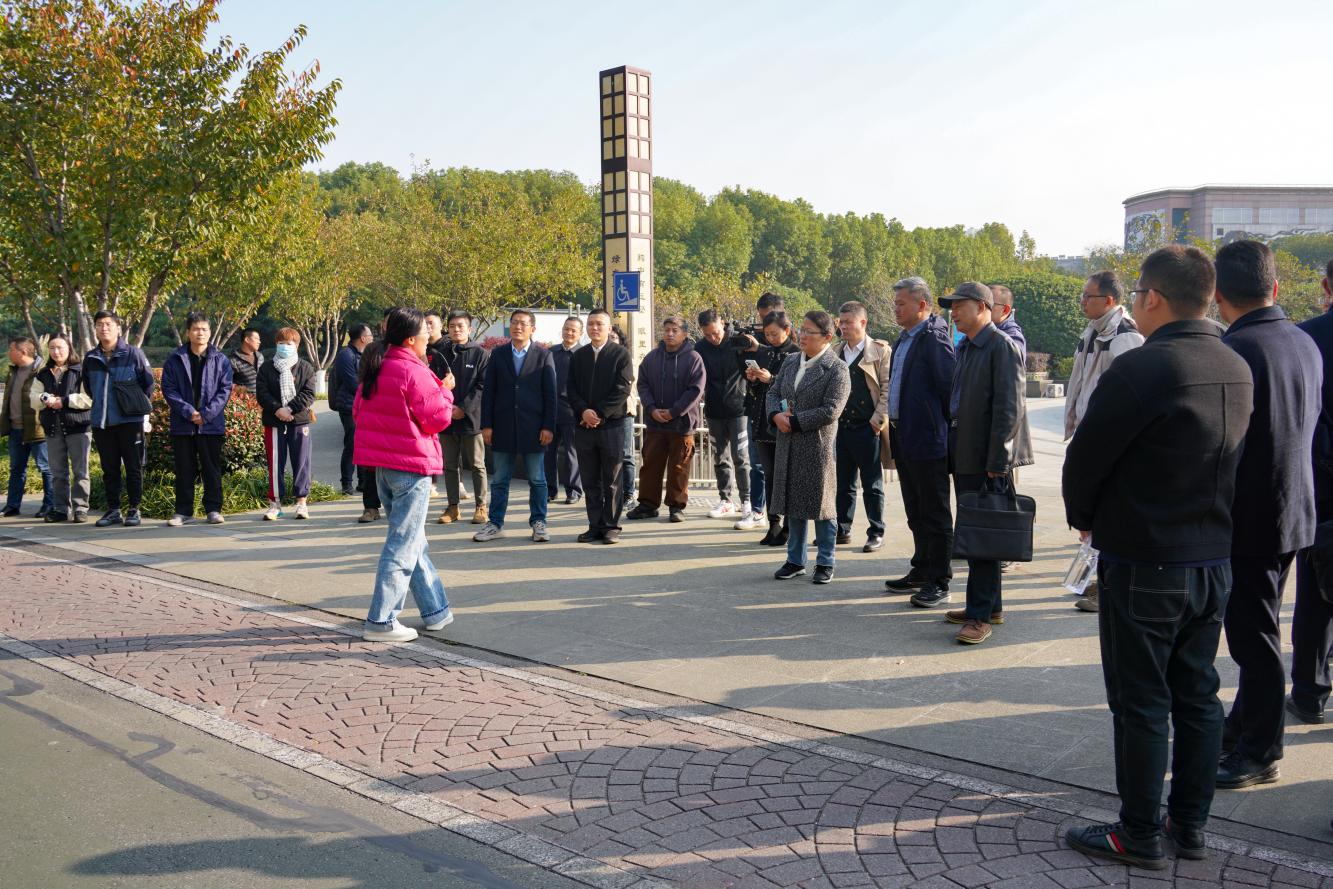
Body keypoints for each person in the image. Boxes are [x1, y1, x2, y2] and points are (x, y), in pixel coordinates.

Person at [1061, 245, 1253, 870]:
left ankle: (1138, 831)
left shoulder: (1145, 369)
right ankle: (1189, 825)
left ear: (1152, 298)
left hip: (1146, 561)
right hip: (1212, 559)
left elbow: (1084, 464)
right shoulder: (1234, 364)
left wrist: (1087, 522)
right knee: (1197, 695)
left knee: (1142, 701)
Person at [1212, 240, 1321, 790]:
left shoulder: (1239, 352)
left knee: (1254, 638)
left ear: (1217, 294)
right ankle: (1244, 726)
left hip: (1254, 516)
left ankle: (1261, 749)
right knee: (1261, 628)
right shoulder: (1300, 339)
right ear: (1274, 287)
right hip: (1293, 508)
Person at [926, 283, 1032, 642]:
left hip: (987, 458)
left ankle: (980, 616)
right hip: (967, 451)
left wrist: (998, 461)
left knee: (982, 536)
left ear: (983, 307)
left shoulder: (1000, 346)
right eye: (951, 307)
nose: (953, 313)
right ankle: (990, 606)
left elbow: (1010, 407)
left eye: (960, 306)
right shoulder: (969, 346)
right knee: (980, 530)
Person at [354, 307, 455, 643]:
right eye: (426, 331)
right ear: (411, 339)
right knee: (402, 543)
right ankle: (381, 620)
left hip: (383, 468)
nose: (430, 336)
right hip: (411, 468)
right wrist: (446, 390)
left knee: (412, 541)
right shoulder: (414, 370)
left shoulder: (376, 366)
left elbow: (358, 411)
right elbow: (438, 418)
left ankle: (436, 611)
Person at [1063, 271, 1145, 613]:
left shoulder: (1126, 337)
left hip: (1106, 440)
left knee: (1105, 515)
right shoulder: (1092, 331)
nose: (1083, 302)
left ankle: (1104, 585)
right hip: (1085, 432)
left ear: (1109, 300)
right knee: (1091, 516)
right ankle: (1096, 581)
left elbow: (1128, 397)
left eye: (1089, 297)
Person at [883, 278, 958, 601]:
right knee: (915, 509)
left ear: (922, 305)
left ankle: (939, 579)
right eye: (896, 303)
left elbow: (949, 392)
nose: (896, 309)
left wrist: (938, 428)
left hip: (929, 440)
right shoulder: (903, 339)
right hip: (905, 436)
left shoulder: (934, 339)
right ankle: (922, 567)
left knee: (935, 512)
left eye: (901, 303)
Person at [768, 311, 851, 584]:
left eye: (809, 332)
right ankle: (795, 559)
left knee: (822, 506)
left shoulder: (837, 369)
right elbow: (773, 392)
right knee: (793, 503)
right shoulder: (792, 361)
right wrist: (775, 416)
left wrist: (795, 421)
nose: (801, 336)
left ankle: (825, 561)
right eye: (801, 330)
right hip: (787, 442)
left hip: (816, 446)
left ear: (827, 337)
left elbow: (831, 410)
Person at [1291, 256, 1333, 729]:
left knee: (1316, 596)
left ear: (1325, 285)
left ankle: (1309, 692)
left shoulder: (1306, 339)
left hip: (1320, 483)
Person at [474, 309, 557, 543]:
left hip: (534, 427)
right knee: (500, 479)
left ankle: (539, 522)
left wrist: (548, 426)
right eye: (514, 323)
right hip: (503, 426)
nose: (518, 327)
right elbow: (489, 392)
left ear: (533, 328)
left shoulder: (543, 355)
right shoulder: (498, 354)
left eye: (523, 323)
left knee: (537, 479)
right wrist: (487, 424)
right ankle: (495, 523)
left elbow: (550, 395)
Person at [627, 316, 705, 523]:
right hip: (655, 423)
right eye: (667, 329)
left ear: (685, 334)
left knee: (679, 467)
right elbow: (642, 384)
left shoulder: (694, 358)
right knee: (650, 464)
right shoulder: (652, 358)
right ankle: (647, 504)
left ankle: (676, 506)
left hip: (682, 424)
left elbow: (695, 390)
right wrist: (651, 408)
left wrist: (674, 411)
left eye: (675, 330)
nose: (670, 333)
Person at [160, 312, 234, 526]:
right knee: (184, 469)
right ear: (188, 332)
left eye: (204, 329)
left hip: (211, 426)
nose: (199, 333)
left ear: (210, 332)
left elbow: (225, 389)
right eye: (195, 329)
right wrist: (189, 412)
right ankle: (183, 511)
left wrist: (207, 414)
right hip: (183, 425)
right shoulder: (175, 358)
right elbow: (169, 389)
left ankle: (213, 509)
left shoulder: (220, 360)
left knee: (212, 469)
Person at [82, 311, 154, 527]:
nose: (104, 328)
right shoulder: (91, 357)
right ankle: (113, 510)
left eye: (108, 324)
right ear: (95, 329)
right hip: (103, 422)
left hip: (129, 422)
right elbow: (89, 387)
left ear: (118, 329)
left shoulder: (134, 354)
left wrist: (132, 406)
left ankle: (134, 509)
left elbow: (148, 385)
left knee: (133, 467)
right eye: (99, 325)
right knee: (109, 469)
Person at [567, 309, 633, 543]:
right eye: (591, 324)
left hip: (612, 426)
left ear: (609, 328)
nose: (595, 328)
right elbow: (571, 389)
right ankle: (594, 524)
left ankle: (612, 525)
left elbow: (622, 390)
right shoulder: (579, 356)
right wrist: (584, 411)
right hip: (584, 425)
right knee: (590, 479)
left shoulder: (620, 355)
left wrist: (600, 415)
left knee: (612, 479)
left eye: (599, 324)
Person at [833, 301, 891, 552]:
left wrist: (877, 421)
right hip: (841, 427)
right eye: (841, 322)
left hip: (868, 428)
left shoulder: (880, 351)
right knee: (843, 483)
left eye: (848, 322)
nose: (843, 327)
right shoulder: (835, 352)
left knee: (872, 483)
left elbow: (888, 389)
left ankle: (876, 531)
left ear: (863, 323)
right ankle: (842, 528)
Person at [694, 309, 757, 524]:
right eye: (708, 334)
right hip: (713, 410)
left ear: (722, 322)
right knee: (720, 456)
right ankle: (725, 499)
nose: (713, 338)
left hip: (739, 409)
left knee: (741, 458)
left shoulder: (738, 341)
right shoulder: (700, 348)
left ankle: (747, 501)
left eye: (716, 332)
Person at [745, 311, 799, 545]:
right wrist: (754, 379)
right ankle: (773, 524)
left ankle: (789, 526)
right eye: (767, 335)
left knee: (786, 476)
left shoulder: (797, 354)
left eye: (775, 334)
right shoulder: (764, 352)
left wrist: (771, 379)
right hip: (763, 422)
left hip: (786, 422)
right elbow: (757, 392)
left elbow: (795, 387)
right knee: (770, 477)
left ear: (787, 330)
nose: (771, 338)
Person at [433, 309, 489, 525]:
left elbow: (483, 387)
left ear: (470, 329)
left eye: (461, 326)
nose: (456, 329)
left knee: (476, 464)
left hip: (471, 419)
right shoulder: (440, 353)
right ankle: (453, 506)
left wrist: (463, 408)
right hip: (445, 417)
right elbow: (432, 382)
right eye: (453, 325)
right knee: (449, 465)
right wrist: (446, 407)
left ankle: (481, 506)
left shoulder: (480, 354)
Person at [30, 334, 92, 523]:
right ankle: (60, 509)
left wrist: (63, 401)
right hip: (52, 428)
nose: (56, 352)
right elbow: (33, 396)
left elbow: (88, 398)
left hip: (78, 427)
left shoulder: (80, 370)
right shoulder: (43, 373)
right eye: (52, 348)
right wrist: (44, 399)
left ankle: (80, 508)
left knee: (81, 471)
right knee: (58, 472)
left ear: (69, 348)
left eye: (60, 347)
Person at [256, 328, 316, 520]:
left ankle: (301, 502)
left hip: (299, 421)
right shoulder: (266, 368)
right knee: (275, 463)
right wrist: (278, 409)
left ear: (297, 345)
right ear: (276, 345)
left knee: (301, 462)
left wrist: (289, 409)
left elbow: (308, 394)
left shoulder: (305, 367)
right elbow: (262, 393)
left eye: (289, 344)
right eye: (281, 343)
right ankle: (275, 504)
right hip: (274, 421)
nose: (285, 347)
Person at [3, 336, 53, 518]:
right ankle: (12, 505)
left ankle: (50, 505)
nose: (9, 353)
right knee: (17, 468)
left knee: (45, 467)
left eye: (11, 349)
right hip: (16, 429)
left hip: (37, 429)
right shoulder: (14, 371)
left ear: (22, 352)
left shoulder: (42, 371)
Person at [332, 323, 375, 503]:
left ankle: (363, 482)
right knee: (352, 444)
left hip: (363, 405)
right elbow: (352, 382)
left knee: (363, 443)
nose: (372, 338)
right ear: (363, 338)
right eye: (370, 335)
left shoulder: (364, 354)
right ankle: (346, 483)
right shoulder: (346, 355)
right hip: (349, 406)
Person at [546, 316, 585, 506]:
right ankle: (549, 490)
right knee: (548, 451)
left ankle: (574, 490)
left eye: (573, 330)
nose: (569, 333)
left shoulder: (584, 354)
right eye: (566, 329)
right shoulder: (551, 352)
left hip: (573, 411)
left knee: (572, 452)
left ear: (580, 333)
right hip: (550, 409)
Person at [609, 325, 638, 514]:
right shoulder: (599, 358)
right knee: (609, 455)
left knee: (627, 454)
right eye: (608, 337)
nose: (611, 340)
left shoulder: (627, 359)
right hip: (607, 414)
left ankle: (629, 494)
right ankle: (612, 493)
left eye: (614, 337)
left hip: (625, 412)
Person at [988, 284, 1027, 364]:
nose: (982, 308)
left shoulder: (1011, 339)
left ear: (1005, 310)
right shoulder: (974, 333)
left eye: (989, 304)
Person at [229, 328, 264, 393]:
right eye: (256, 338)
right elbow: (225, 383)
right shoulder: (233, 360)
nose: (259, 342)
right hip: (246, 401)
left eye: (259, 339)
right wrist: (241, 390)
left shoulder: (260, 357)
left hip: (263, 400)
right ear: (247, 339)